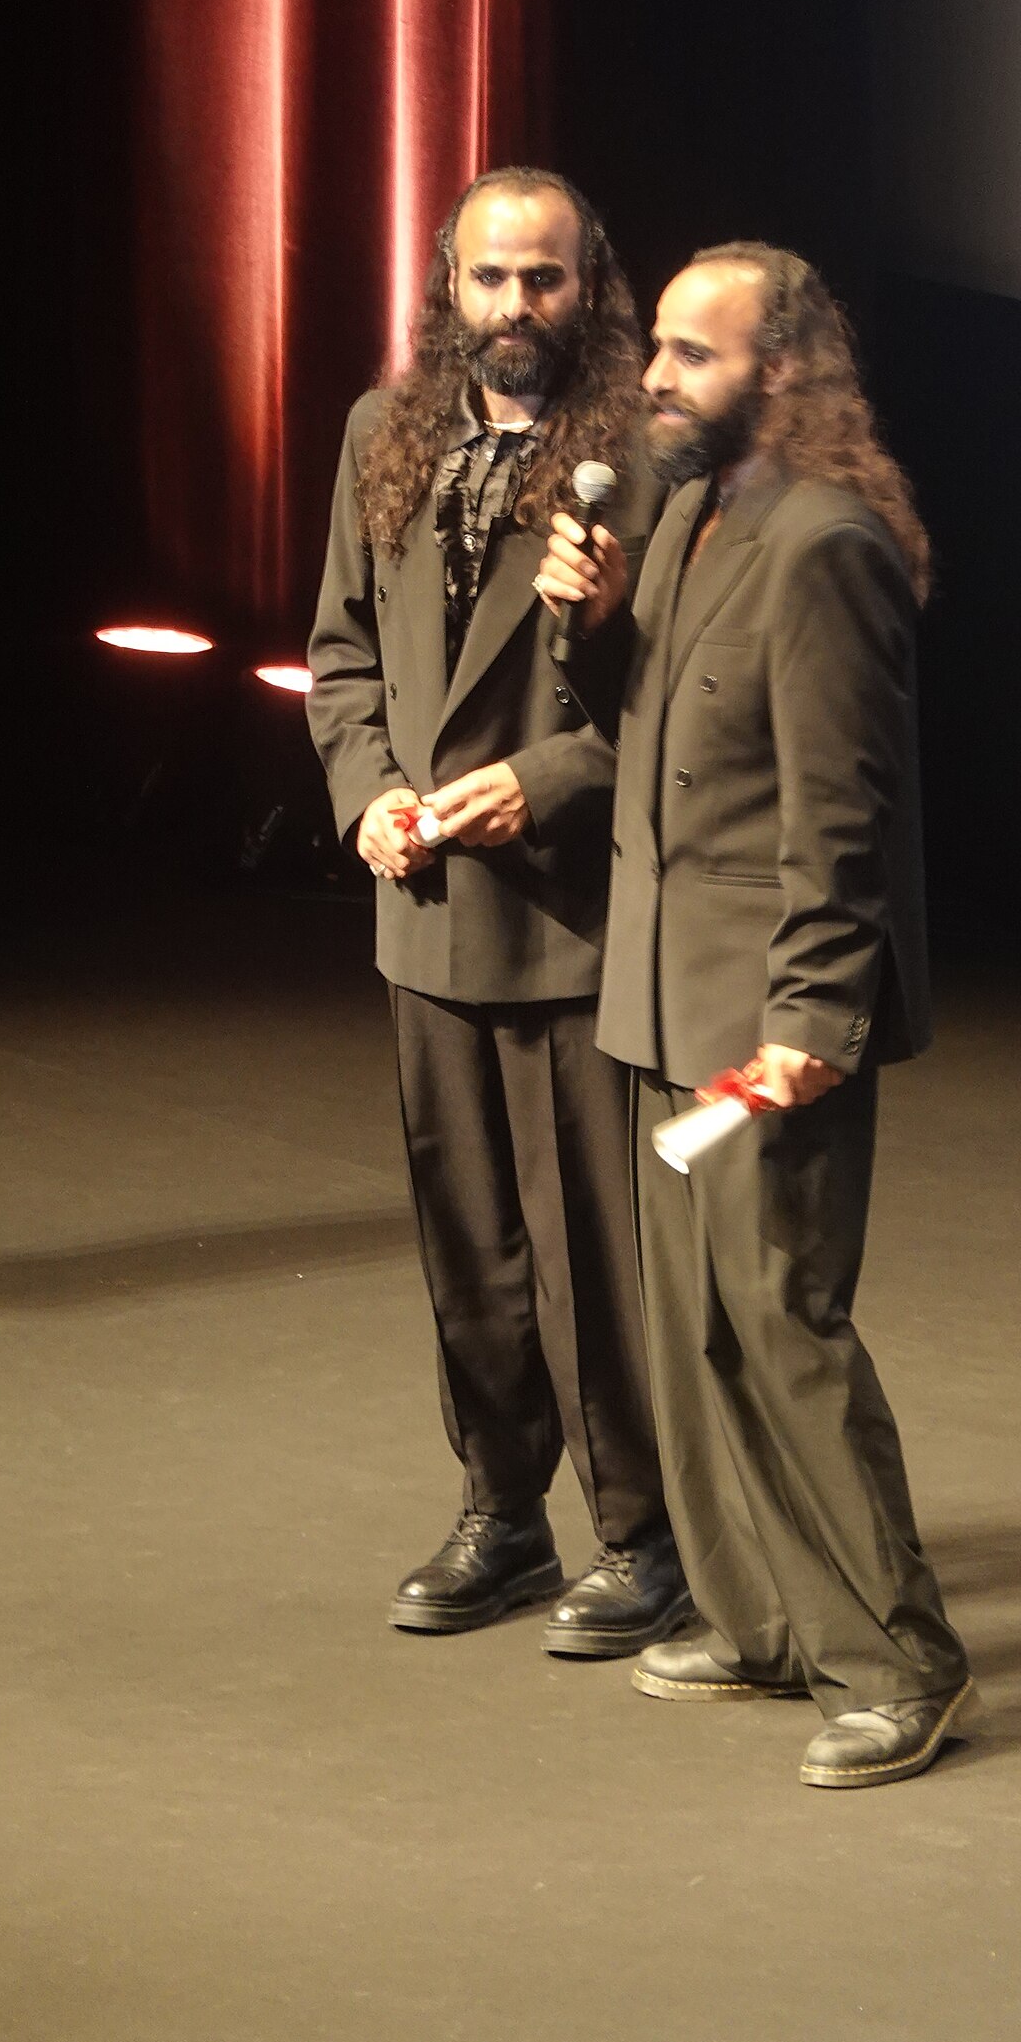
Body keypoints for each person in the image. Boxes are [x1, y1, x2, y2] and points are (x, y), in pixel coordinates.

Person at [537, 241, 978, 1787]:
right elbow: (636, 745)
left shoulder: (825, 547)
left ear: (777, 372)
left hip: (766, 1020)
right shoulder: (681, 519)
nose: (654, 374)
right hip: (663, 996)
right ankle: (758, 1622)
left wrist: (812, 1017)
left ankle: (900, 1659)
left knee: (783, 1325)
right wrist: (578, 624)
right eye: (656, 346)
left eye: (692, 354)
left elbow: (841, 818)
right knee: (693, 1332)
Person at [308, 166, 687, 1656]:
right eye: (489, 280)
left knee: (592, 1244)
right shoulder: (382, 432)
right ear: (446, 288)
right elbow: (341, 657)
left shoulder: (647, 461)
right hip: (427, 902)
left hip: (573, 910)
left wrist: (546, 776)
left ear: (590, 287)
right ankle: (504, 1511)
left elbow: (678, 706)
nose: (514, 309)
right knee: (466, 1235)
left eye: (543, 279)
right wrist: (369, 798)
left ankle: (643, 1531)